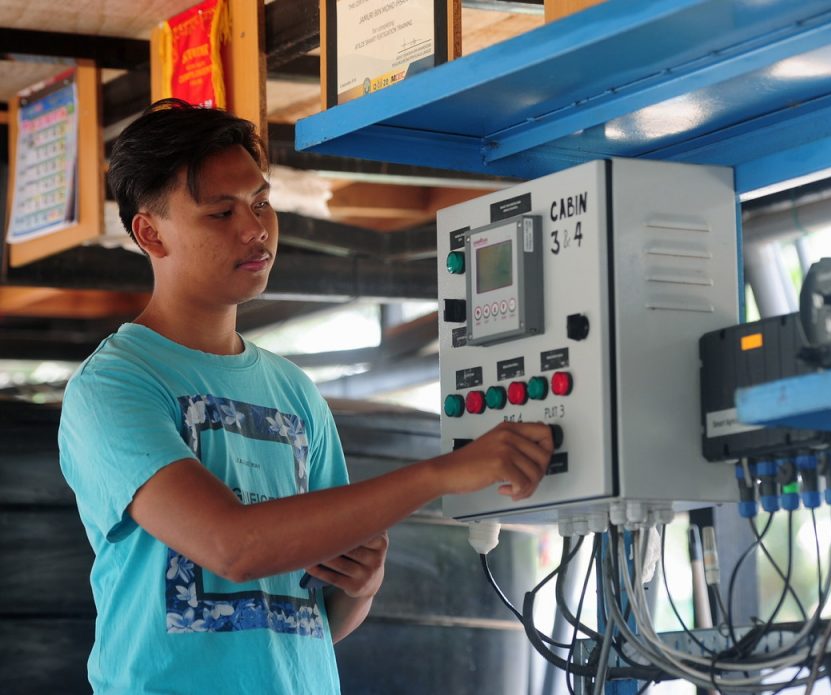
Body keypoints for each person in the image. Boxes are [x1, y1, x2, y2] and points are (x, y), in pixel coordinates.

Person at [57, 99, 554, 694]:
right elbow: (232, 546)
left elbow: (312, 620)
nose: (255, 229)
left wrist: (360, 587)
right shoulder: (116, 384)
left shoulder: (293, 391)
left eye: (261, 203)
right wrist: (441, 474)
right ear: (150, 232)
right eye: (221, 212)